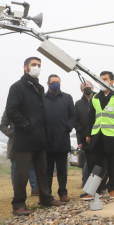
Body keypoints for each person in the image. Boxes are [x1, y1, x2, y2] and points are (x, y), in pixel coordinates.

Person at [6, 57, 64, 216]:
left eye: (39, 65)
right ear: (25, 67)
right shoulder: (17, 87)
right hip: (24, 138)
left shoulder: (39, 88)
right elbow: (12, 111)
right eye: (33, 65)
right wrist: (26, 125)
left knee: (42, 170)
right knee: (22, 173)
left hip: (40, 137)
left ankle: (46, 198)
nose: (36, 67)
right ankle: (18, 205)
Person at [86, 71, 114, 200]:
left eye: (105, 79)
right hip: (97, 135)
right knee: (96, 164)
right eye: (100, 79)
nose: (102, 81)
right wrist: (89, 133)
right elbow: (91, 117)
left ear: (112, 82)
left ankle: (112, 189)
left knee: (112, 163)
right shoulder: (95, 98)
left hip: (113, 136)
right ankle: (96, 190)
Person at [44, 74, 76, 203]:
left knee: (62, 169)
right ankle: (47, 194)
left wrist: (67, 127)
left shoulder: (67, 98)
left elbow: (73, 116)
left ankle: (63, 193)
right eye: (53, 82)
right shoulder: (42, 98)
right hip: (46, 140)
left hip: (62, 138)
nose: (56, 84)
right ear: (48, 83)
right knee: (47, 170)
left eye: (58, 82)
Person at [0, 111, 39, 197]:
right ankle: (17, 191)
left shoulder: (30, 106)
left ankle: (35, 189)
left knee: (32, 165)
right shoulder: (10, 109)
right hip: (15, 142)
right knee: (15, 166)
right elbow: (2, 125)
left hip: (31, 140)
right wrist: (13, 133)